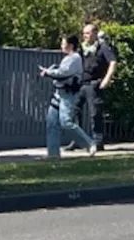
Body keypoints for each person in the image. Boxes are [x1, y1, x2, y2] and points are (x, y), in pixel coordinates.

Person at [42, 35, 98, 159]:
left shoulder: (75, 58)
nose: (61, 46)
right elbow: (61, 72)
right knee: (52, 123)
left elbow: (63, 73)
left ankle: (89, 143)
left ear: (70, 45)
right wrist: (51, 71)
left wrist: (48, 73)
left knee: (66, 122)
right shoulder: (68, 58)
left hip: (68, 95)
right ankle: (53, 154)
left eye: (63, 43)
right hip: (59, 93)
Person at [68, 23, 118, 151]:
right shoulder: (82, 48)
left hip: (94, 84)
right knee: (73, 111)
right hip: (81, 84)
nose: (85, 36)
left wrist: (107, 79)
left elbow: (113, 62)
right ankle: (77, 139)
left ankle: (98, 141)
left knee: (95, 113)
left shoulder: (103, 47)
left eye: (88, 33)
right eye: (84, 33)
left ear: (95, 33)